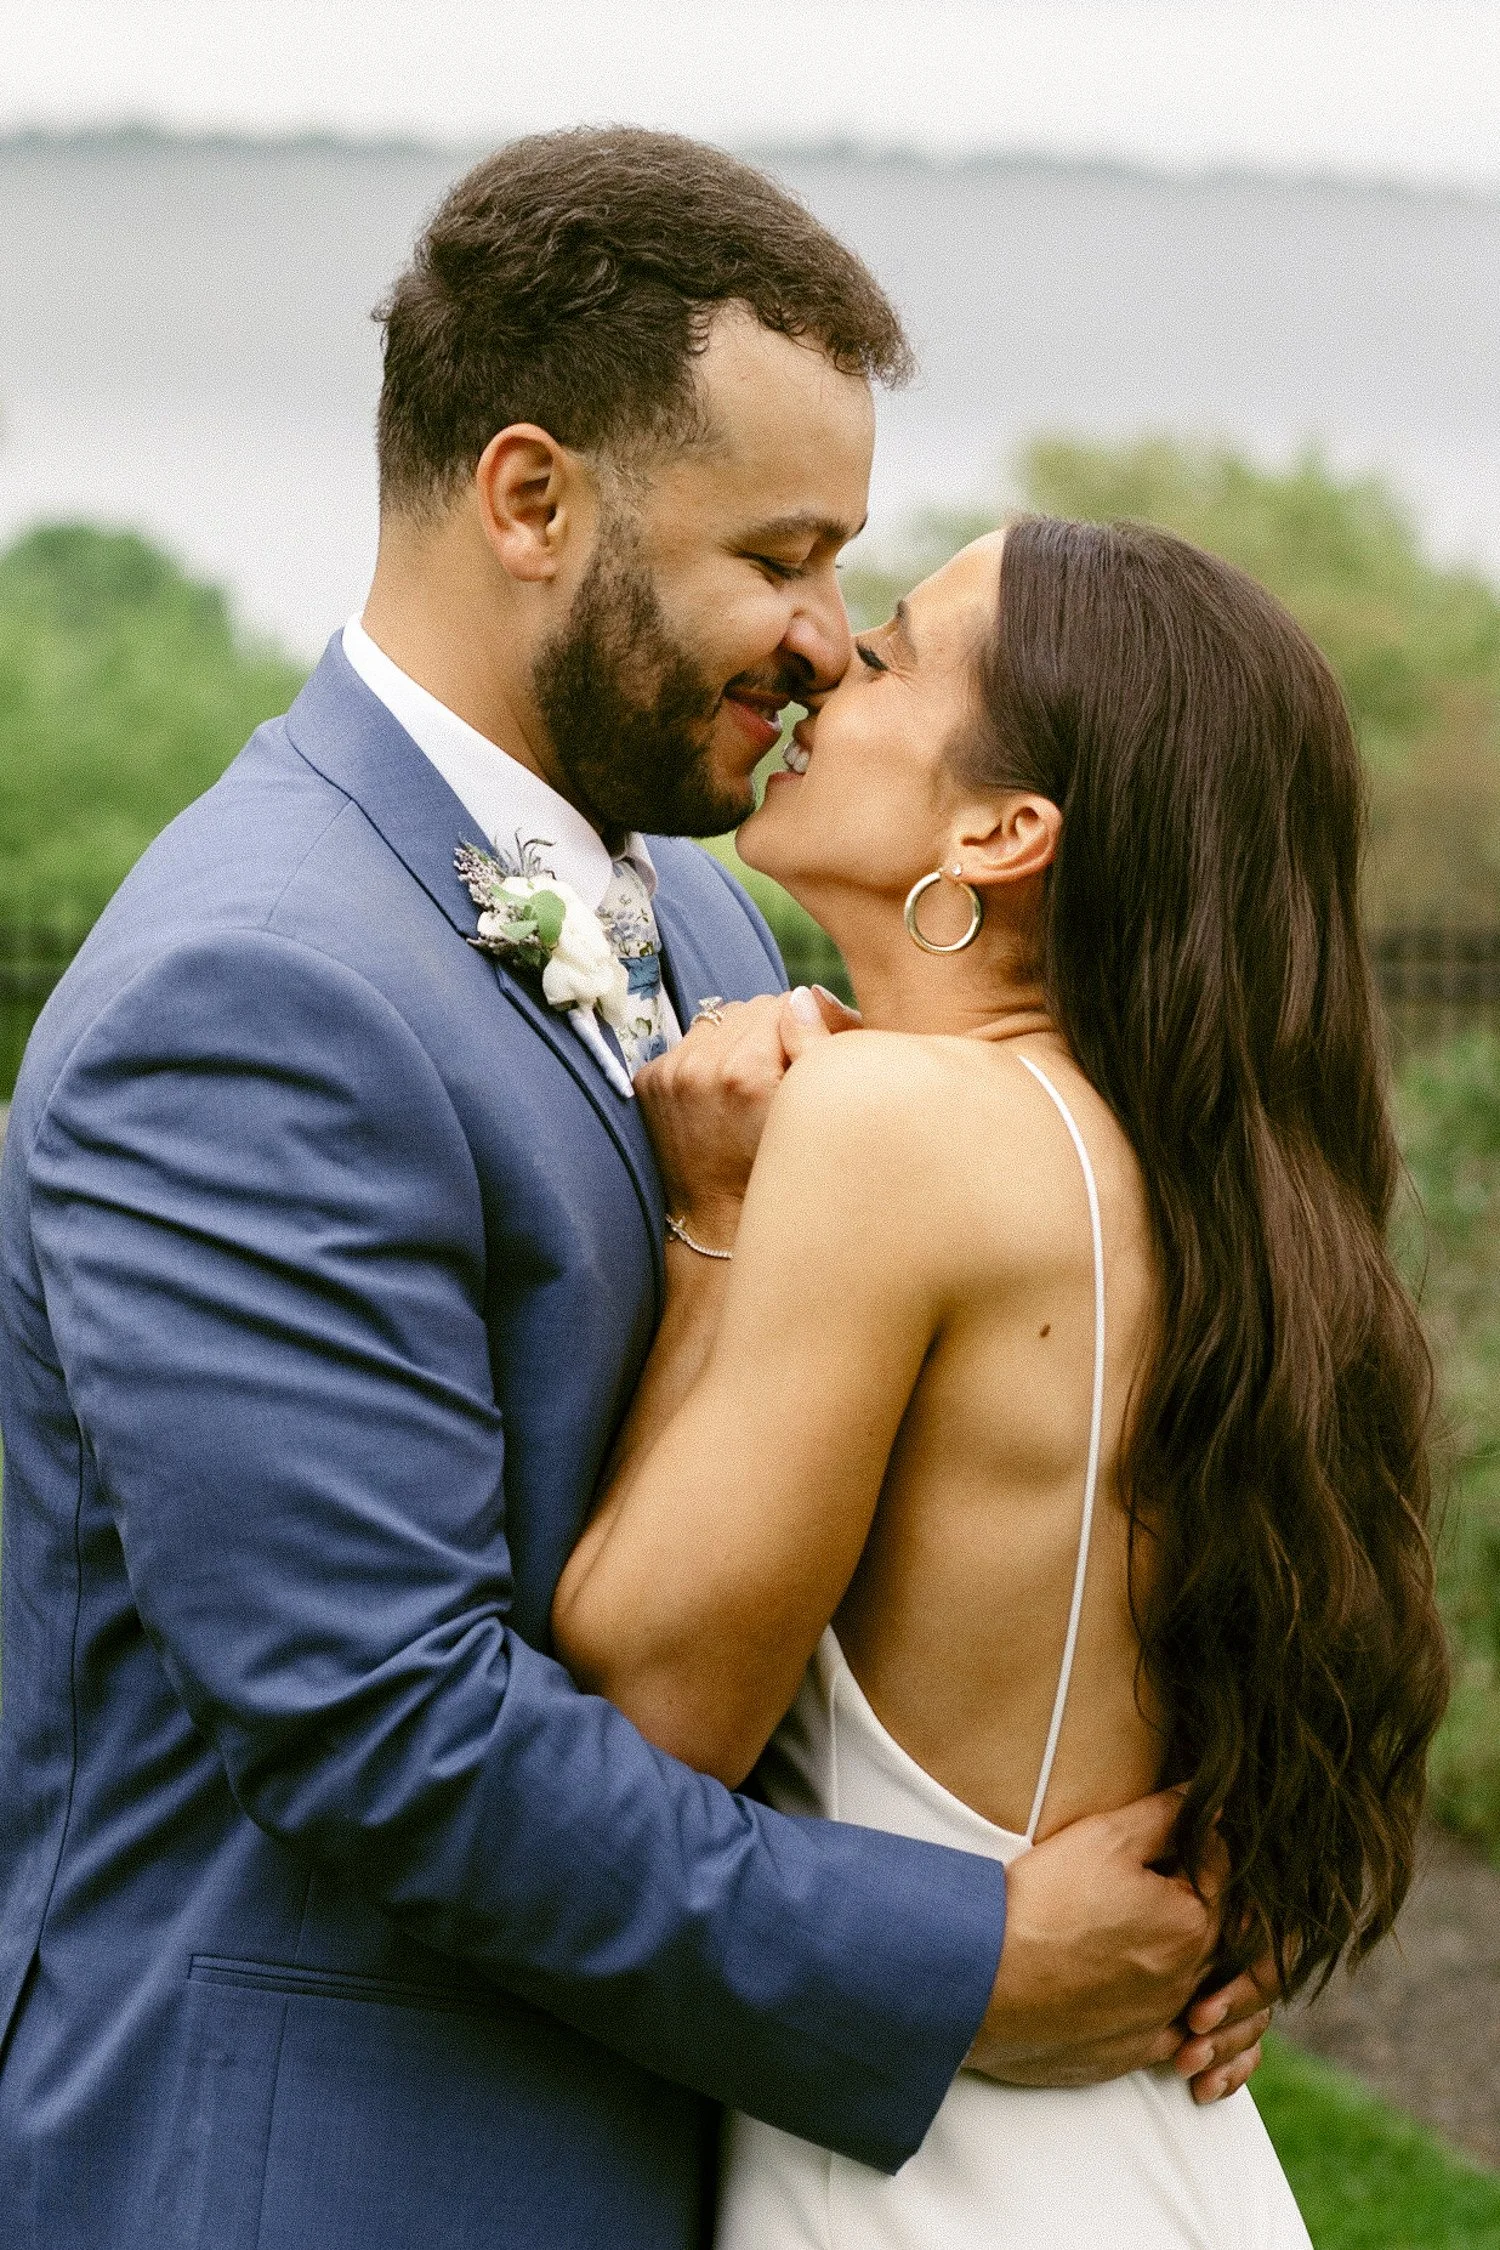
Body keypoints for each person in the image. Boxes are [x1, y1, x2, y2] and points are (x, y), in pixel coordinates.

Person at [0, 133, 1265, 2250]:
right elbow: (391, 1734)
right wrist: (971, 1961)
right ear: (531, 500)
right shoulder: (250, 992)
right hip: (348, 2174)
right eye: (781, 556)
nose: (827, 641)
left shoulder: (699, 905)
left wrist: (1157, 1836)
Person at [553, 517, 1451, 2246]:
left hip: (939, 2179)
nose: (825, 664)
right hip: (1137, 2157)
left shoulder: (896, 1120)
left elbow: (654, 1707)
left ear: (1003, 831)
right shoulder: (1189, 1176)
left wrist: (711, 1220)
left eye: (888, 653)